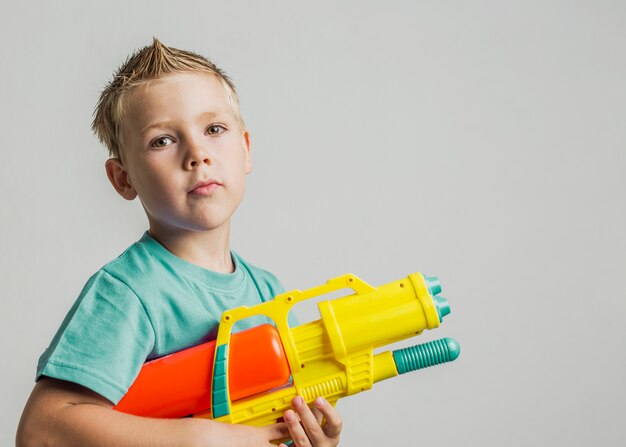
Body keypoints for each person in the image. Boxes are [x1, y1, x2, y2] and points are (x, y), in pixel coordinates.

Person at [16, 38, 343, 447]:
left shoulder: (268, 292)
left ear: (245, 150)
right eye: (162, 141)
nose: (197, 153)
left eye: (214, 129)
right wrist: (197, 439)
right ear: (124, 179)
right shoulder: (128, 292)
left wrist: (308, 439)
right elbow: (42, 430)